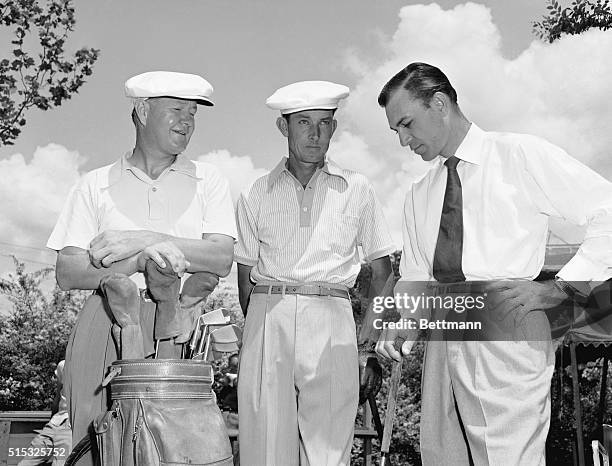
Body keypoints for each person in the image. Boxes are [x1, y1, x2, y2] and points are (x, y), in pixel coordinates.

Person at [374, 62, 612, 465]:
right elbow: (416, 276)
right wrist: (404, 322)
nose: (403, 140)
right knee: (442, 456)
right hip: (444, 323)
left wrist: (564, 286)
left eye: (407, 124)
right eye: (395, 130)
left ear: (440, 103)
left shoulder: (520, 154)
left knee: (508, 457)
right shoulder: (419, 192)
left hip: (507, 320)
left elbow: (607, 211)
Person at [47, 71, 236, 465]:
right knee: (94, 444)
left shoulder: (208, 180)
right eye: (177, 110)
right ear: (143, 110)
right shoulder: (94, 184)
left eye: (193, 113)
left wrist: (142, 238)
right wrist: (135, 261)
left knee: (172, 449)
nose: (188, 121)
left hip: (177, 323)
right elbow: (68, 271)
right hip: (103, 319)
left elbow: (219, 257)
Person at [235, 80, 395, 465]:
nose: (315, 133)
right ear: (283, 127)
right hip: (268, 316)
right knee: (266, 450)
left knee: (327, 450)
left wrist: (368, 348)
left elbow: (383, 271)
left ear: (334, 129)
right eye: (303, 122)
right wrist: (264, 328)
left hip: (333, 317)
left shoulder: (357, 189)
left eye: (325, 123)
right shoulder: (255, 193)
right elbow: (244, 280)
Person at [18, 361, 72, 466]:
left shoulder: (93, 366)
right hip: (54, 424)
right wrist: (51, 422)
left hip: (71, 426)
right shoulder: (63, 365)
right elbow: (58, 395)